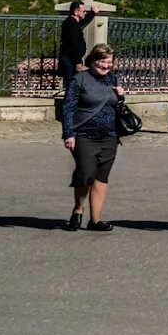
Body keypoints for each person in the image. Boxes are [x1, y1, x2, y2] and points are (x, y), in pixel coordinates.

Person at [60, 43, 126, 231]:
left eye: (109, 62)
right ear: (92, 60)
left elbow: (117, 108)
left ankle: (95, 220)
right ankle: (78, 208)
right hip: (83, 135)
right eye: (102, 62)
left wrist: (121, 97)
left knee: (101, 177)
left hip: (109, 136)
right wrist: (68, 133)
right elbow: (68, 107)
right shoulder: (79, 80)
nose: (106, 66)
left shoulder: (112, 78)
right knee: (86, 174)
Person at [56, 0, 89, 91]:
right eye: (83, 11)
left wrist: (93, 13)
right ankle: (68, 105)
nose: (85, 13)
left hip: (72, 59)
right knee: (72, 87)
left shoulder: (73, 23)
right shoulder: (71, 24)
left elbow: (83, 20)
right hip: (71, 60)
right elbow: (74, 44)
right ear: (76, 12)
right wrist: (78, 61)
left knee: (73, 86)